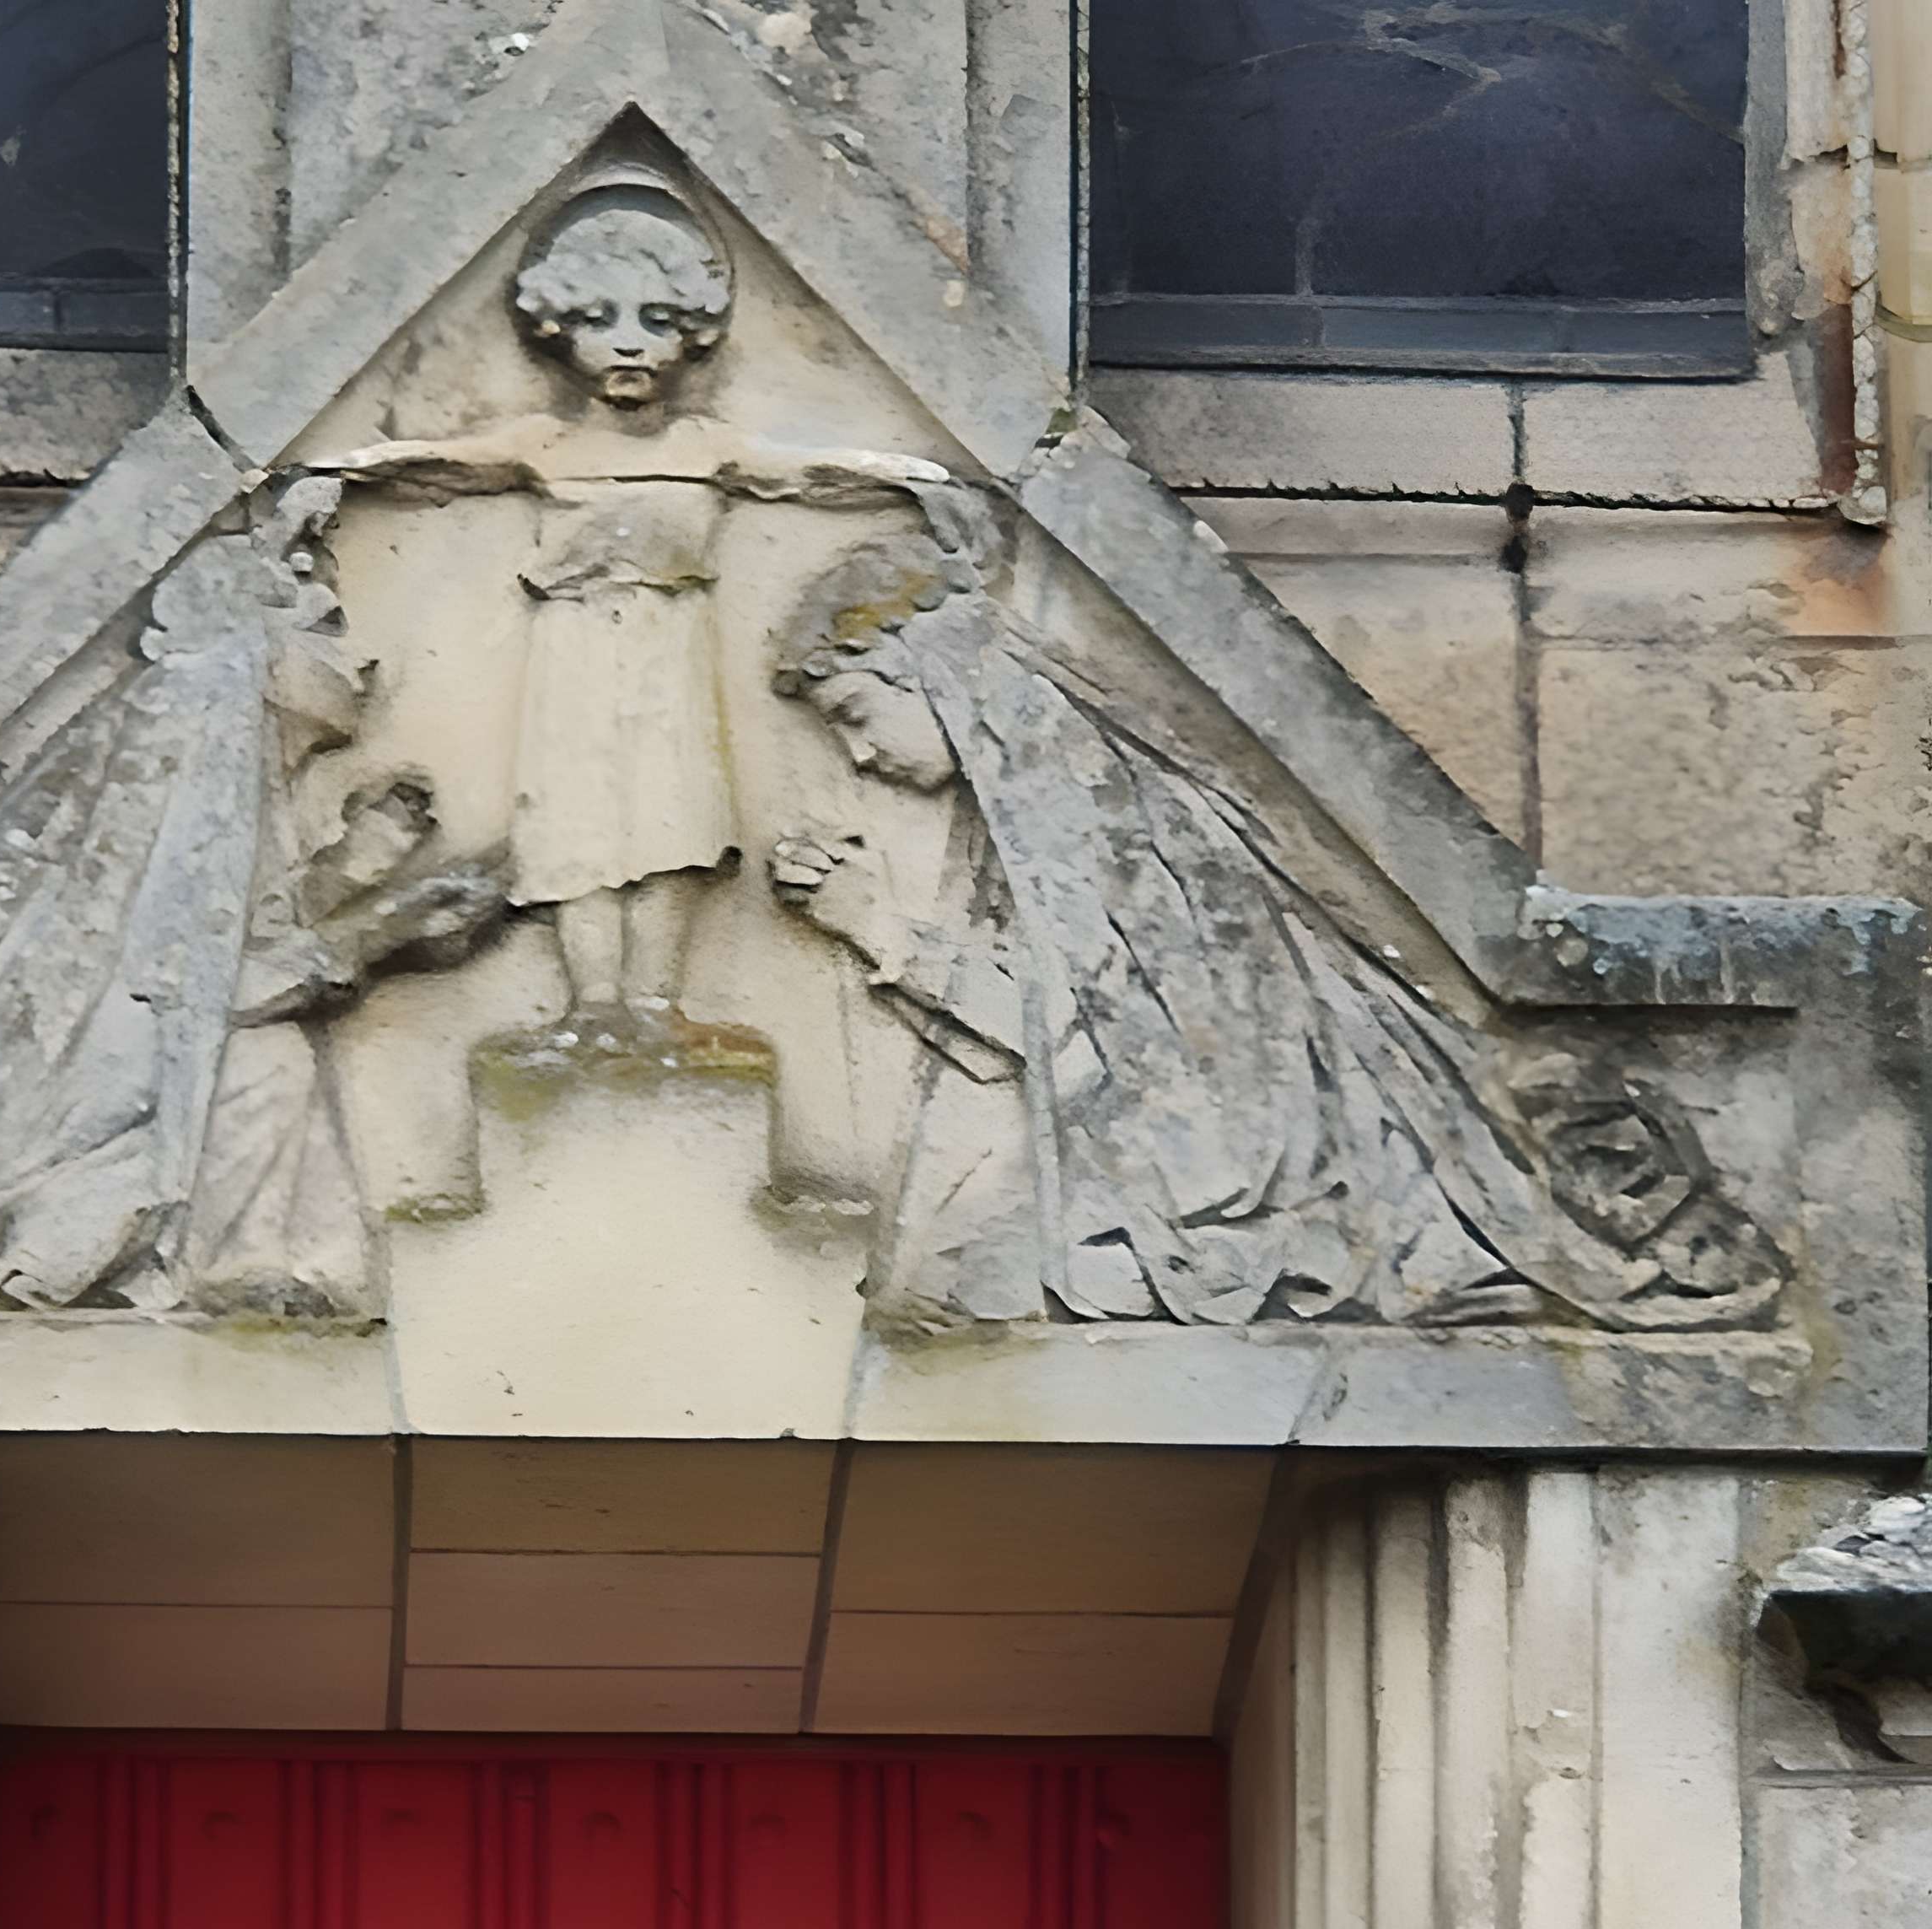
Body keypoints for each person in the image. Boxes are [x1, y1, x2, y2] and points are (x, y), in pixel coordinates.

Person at [767, 516, 1787, 1330]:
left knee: (985, 1291)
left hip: (1271, 1190)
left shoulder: (1082, 802)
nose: (858, 759)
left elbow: (1120, 1048)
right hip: (1239, 1168)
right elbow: (1101, 1029)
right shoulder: (1047, 795)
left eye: (858, 714)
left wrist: (879, 931)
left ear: (935, 668)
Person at [319, 164, 944, 1030]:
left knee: (670, 822)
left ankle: (653, 1002)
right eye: (597, 319)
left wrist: (927, 486)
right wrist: (325, 479)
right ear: (555, 327)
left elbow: (813, 476)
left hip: (666, 662)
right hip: (573, 664)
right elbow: (432, 467)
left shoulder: (703, 445)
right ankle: (592, 1006)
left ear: (691, 332)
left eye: (654, 321)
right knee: (574, 828)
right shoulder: (543, 445)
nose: (624, 343)